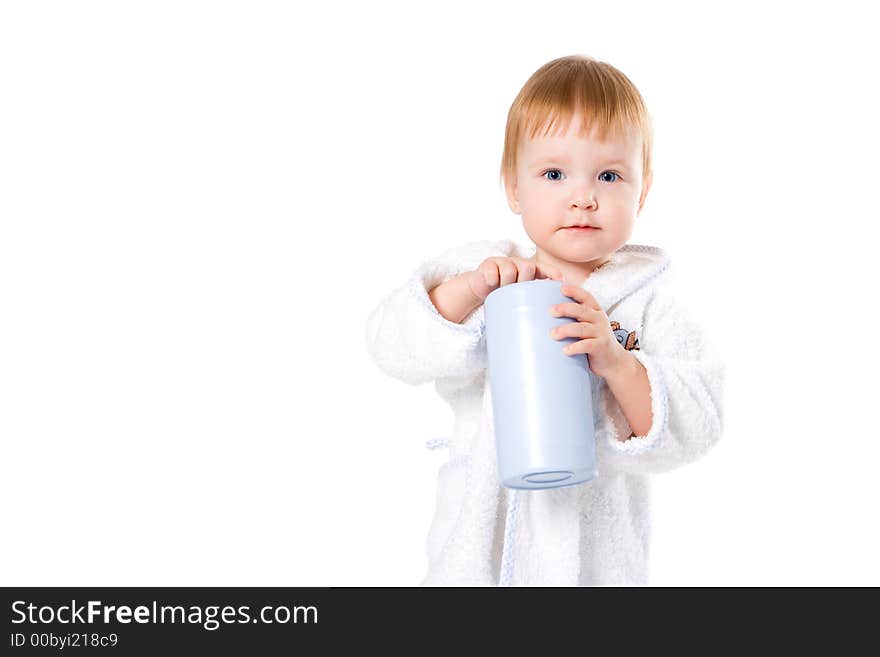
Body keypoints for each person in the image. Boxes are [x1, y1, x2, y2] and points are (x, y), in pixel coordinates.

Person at [364, 54, 724, 586]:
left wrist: (618, 364)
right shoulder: (484, 275)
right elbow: (392, 344)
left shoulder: (646, 305)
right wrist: (470, 293)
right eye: (553, 173)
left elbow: (699, 422)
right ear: (514, 186)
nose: (583, 197)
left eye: (609, 174)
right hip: (479, 557)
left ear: (642, 192)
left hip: (594, 565)